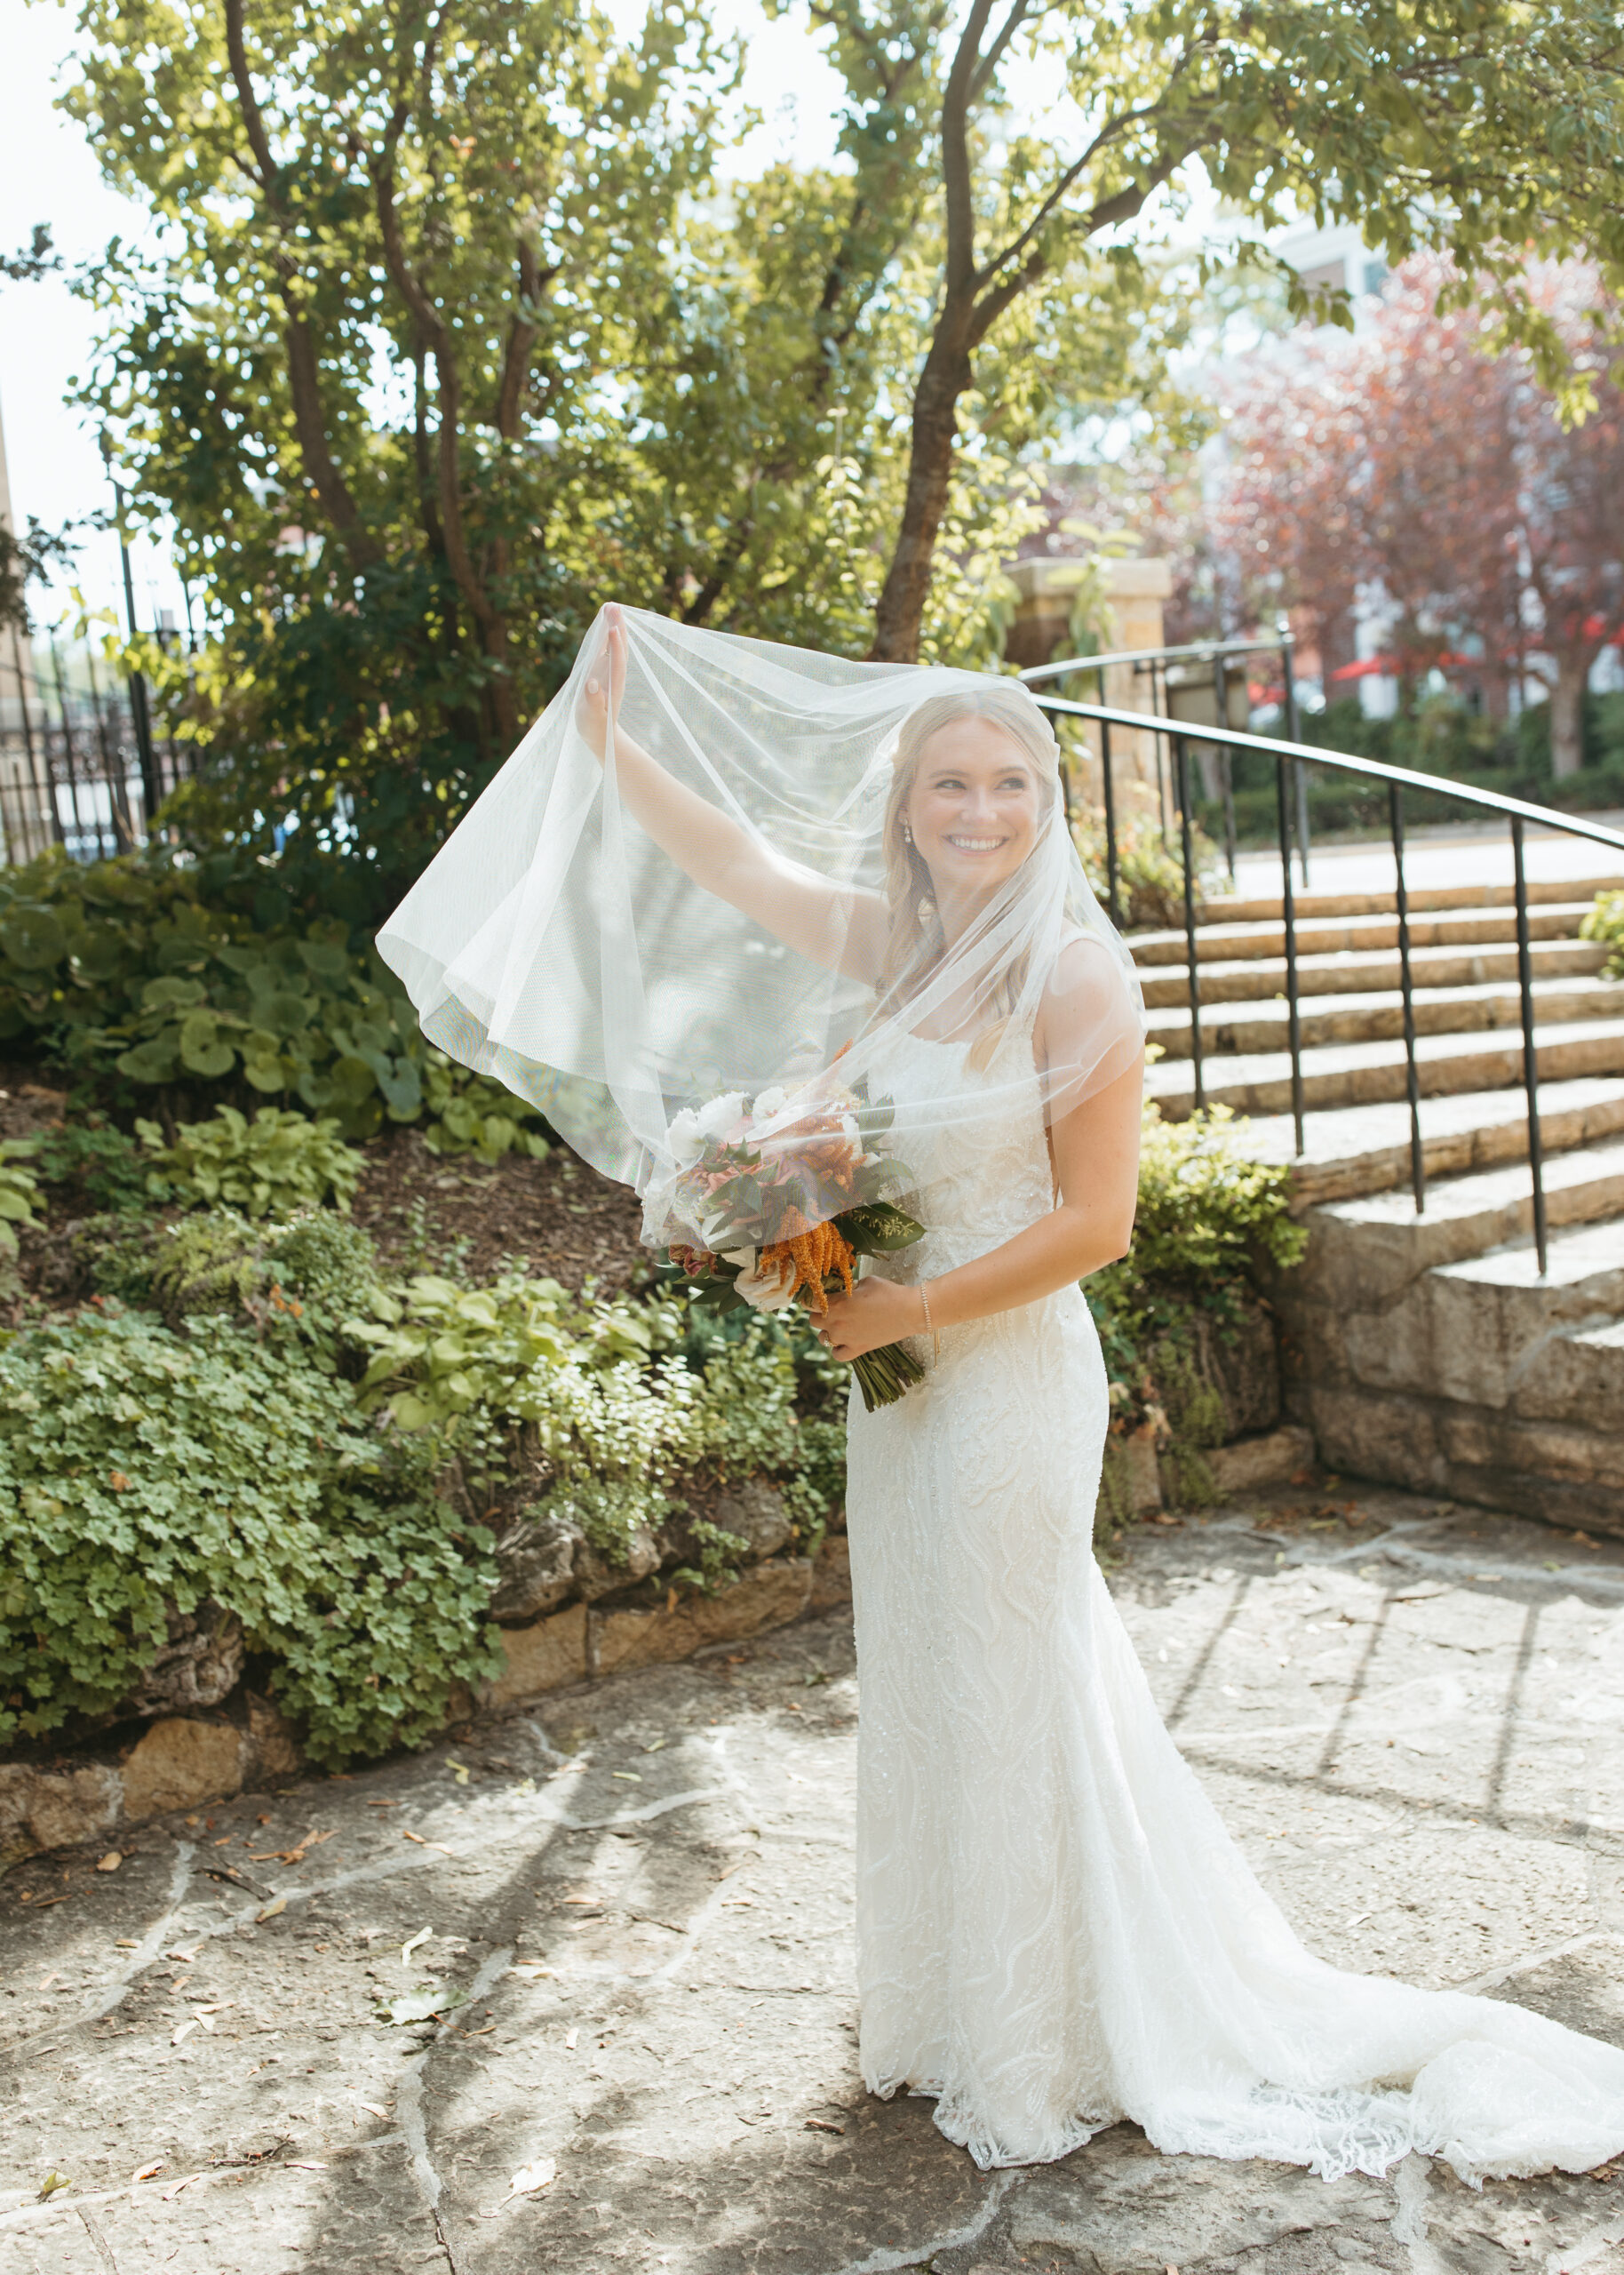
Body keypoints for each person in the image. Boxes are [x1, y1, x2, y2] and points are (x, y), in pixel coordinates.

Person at [381, 603, 1624, 2183]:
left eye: (1009, 785)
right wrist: (610, 740)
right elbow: (738, 868)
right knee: (931, 1682)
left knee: (1014, 1684)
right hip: (900, 1390)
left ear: (1047, 805)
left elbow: (1098, 1225)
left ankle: (1041, 2046)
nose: (980, 811)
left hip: (1010, 1379)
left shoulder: (1076, 978)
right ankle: (962, 2013)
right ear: (907, 810)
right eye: (949, 785)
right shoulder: (905, 952)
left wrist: (907, 1302)